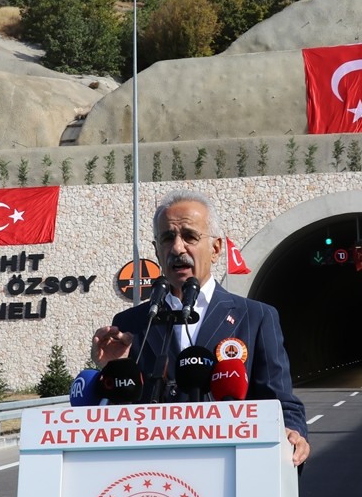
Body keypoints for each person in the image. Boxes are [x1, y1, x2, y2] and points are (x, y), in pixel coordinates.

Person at [93, 189, 310, 466]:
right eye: (167, 238)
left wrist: (293, 432)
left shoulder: (255, 317)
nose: (178, 248)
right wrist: (110, 372)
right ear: (157, 249)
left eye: (190, 236)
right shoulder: (131, 324)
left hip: (232, 468)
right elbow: (114, 416)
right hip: (156, 471)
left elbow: (281, 403)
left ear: (217, 248)